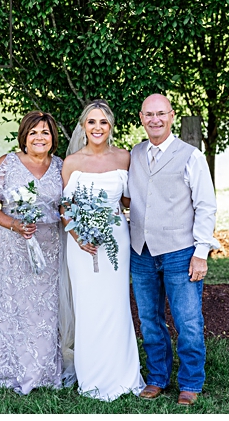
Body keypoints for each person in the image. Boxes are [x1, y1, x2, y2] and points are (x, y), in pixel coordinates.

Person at [128, 94, 219, 406]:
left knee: (187, 320)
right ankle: (156, 377)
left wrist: (201, 251)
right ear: (141, 117)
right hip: (140, 250)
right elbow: (129, 197)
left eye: (161, 114)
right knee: (150, 319)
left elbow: (206, 205)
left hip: (180, 250)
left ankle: (191, 381)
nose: (155, 120)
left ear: (172, 116)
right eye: (149, 114)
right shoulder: (135, 154)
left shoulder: (191, 156)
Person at [0, 114, 64, 395]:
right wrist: (14, 224)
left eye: (45, 132)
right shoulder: (6, 163)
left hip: (50, 246)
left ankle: (45, 370)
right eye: (33, 132)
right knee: (15, 305)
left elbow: (66, 207)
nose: (39, 137)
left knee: (46, 308)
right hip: (14, 247)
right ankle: (8, 367)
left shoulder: (60, 166)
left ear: (53, 137)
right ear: (23, 136)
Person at [59, 101, 145, 400]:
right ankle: (91, 375)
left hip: (116, 242)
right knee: (89, 305)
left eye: (104, 123)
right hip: (80, 244)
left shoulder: (125, 157)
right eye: (92, 122)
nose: (98, 128)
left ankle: (122, 375)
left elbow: (130, 200)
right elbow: (65, 207)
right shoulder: (70, 162)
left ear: (111, 127)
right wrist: (78, 235)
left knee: (115, 303)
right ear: (83, 125)